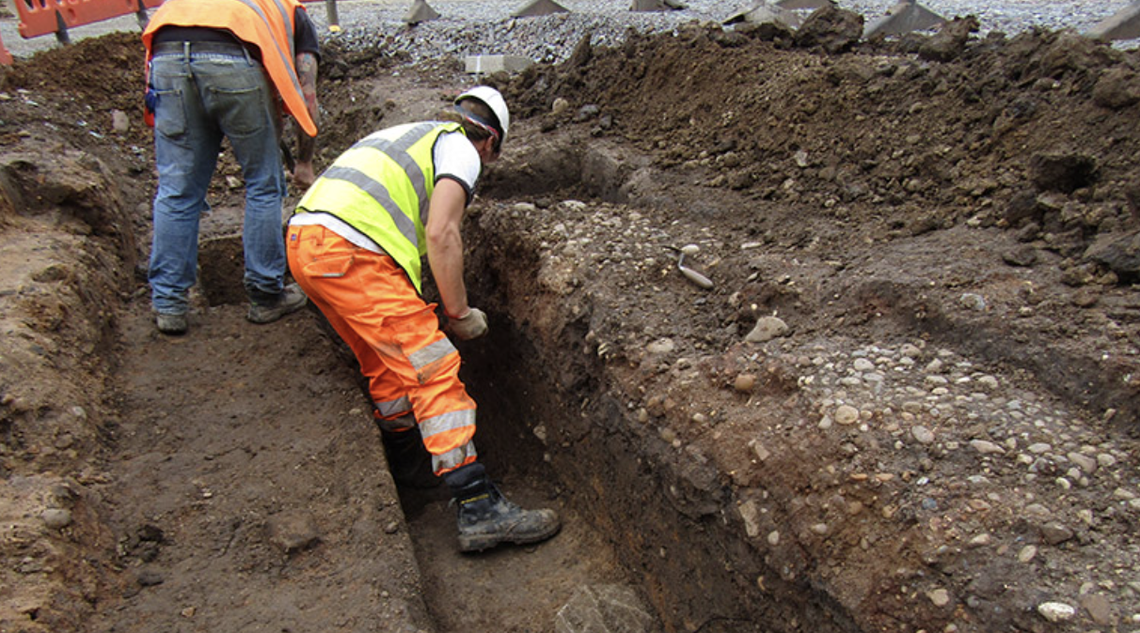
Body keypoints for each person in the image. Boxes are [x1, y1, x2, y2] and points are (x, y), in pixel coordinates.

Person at [286, 87, 561, 553]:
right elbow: (442, 231)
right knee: (433, 366)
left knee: (383, 361)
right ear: (490, 142)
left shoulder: (407, 136)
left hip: (306, 246)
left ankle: (409, 462)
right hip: (352, 253)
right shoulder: (461, 148)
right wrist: (458, 314)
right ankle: (478, 506)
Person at [142, 0, 321, 335]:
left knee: (177, 191)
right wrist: (305, 162)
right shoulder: (290, 9)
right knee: (264, 184)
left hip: (165, 60)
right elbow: (306, 95)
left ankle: (168, 302)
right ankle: (266, 295)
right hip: (233, 62)